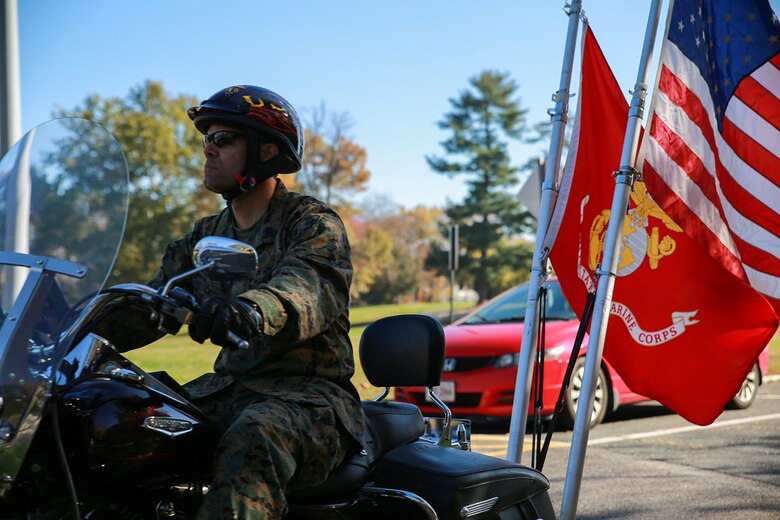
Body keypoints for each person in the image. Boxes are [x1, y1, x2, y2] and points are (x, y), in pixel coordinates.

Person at [118, 85, 365, 519]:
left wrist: (251, 309)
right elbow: (150, 302)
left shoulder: (310, 223)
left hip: (308, 402)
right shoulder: (203, 236)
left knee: (255, 434)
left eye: (223, 140)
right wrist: (56, 324)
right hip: (228, 391)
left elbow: (306, 288)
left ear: (267, 152)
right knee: (120, 414)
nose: (208, 151)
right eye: (206, 140)